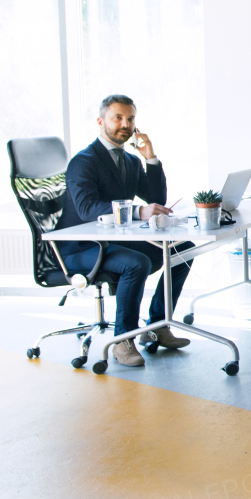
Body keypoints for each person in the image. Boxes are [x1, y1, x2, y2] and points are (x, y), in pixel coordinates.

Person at [56, 94, 194, 367]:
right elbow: (87, 209)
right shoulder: (83, 161)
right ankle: (123, 340)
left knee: (184, 248)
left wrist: (150, 158)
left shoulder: (130, 161)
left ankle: (156, 325)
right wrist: (136, 212)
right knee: (137, 262)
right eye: (117, 117)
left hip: (115, 241)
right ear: (100, 121)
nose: (125, 124)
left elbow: (156, 197)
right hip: (82, 247)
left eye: (130, 119)